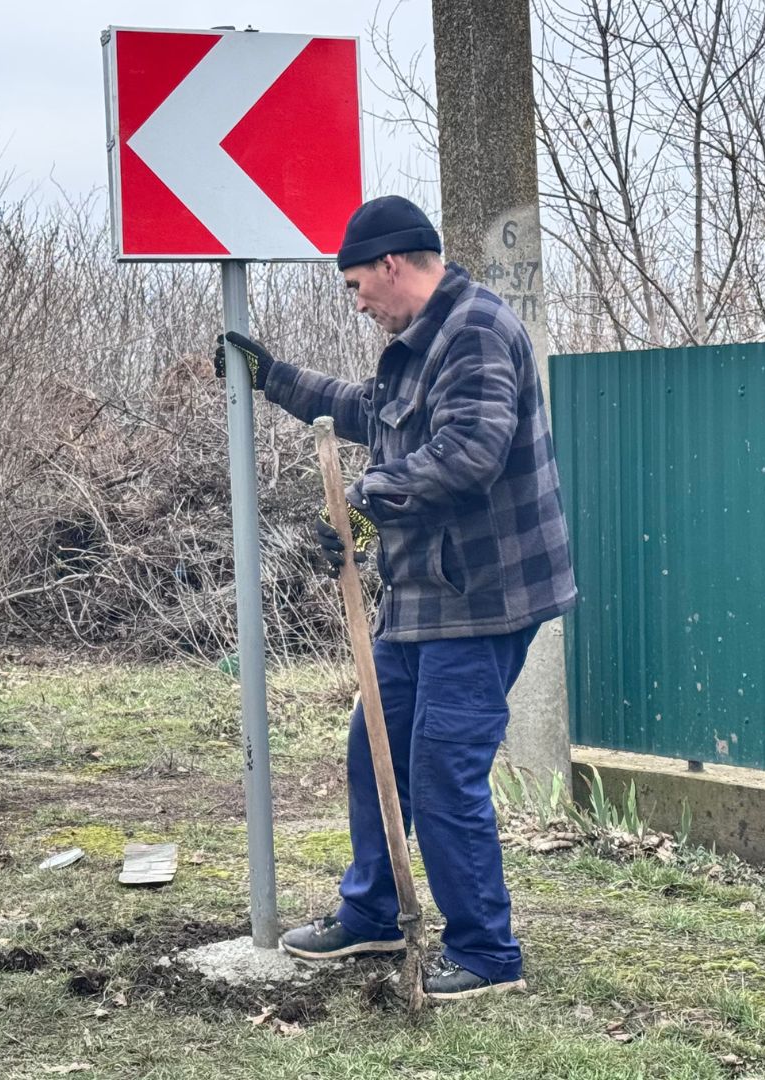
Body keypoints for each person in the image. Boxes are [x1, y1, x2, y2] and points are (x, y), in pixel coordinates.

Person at [214, 195, 577, 1000]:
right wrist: (275, 378)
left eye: (355, 286)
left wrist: (361, 503)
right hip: (418, 594)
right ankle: (374, 913)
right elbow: (368, 413)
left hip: (480, 597)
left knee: (442, 769)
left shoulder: (476, 331)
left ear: (389, 264)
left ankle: (486, 952)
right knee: (372, 751)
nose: (357, 303)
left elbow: (470, 452)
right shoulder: (416, 344)